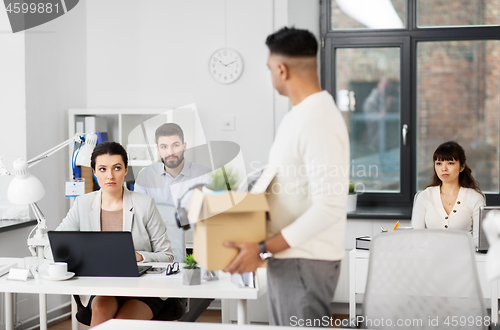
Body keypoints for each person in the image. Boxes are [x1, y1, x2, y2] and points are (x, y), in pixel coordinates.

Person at [224, 27, 350, 327]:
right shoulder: (300, 116)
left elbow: (330, 206)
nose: (271, 75)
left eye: (270, 68)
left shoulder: (318, 120)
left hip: (304, 260)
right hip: (291, 258)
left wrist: (264, 249)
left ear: (281, 69)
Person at [50, 141, 174, 327]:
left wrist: (138, 256)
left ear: (125, 170)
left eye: (117, 168)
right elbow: (54, 247)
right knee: (100, 310)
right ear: (94, 172)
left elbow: (167, 256)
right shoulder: (83, 204)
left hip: (143, 288)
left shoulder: (145, 204)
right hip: (104, 287)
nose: (110, 175)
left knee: (122, 323)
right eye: (102, 169)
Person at [412, 141, 485, 246]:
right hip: (430, 258)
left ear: (462, 167)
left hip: (464, 258)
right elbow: (416, 238)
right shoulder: (424, 196)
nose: (444, 169)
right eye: (439, 163)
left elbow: (479, 243)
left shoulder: (475, 198)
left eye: (450, 163)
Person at [134, 123, 209, 208]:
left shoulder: (203, 174)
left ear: (184, 146)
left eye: (175, 145)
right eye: (164, 147)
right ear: (158, 149)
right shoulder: (145, 176)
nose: (170, 152)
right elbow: (139, 213)